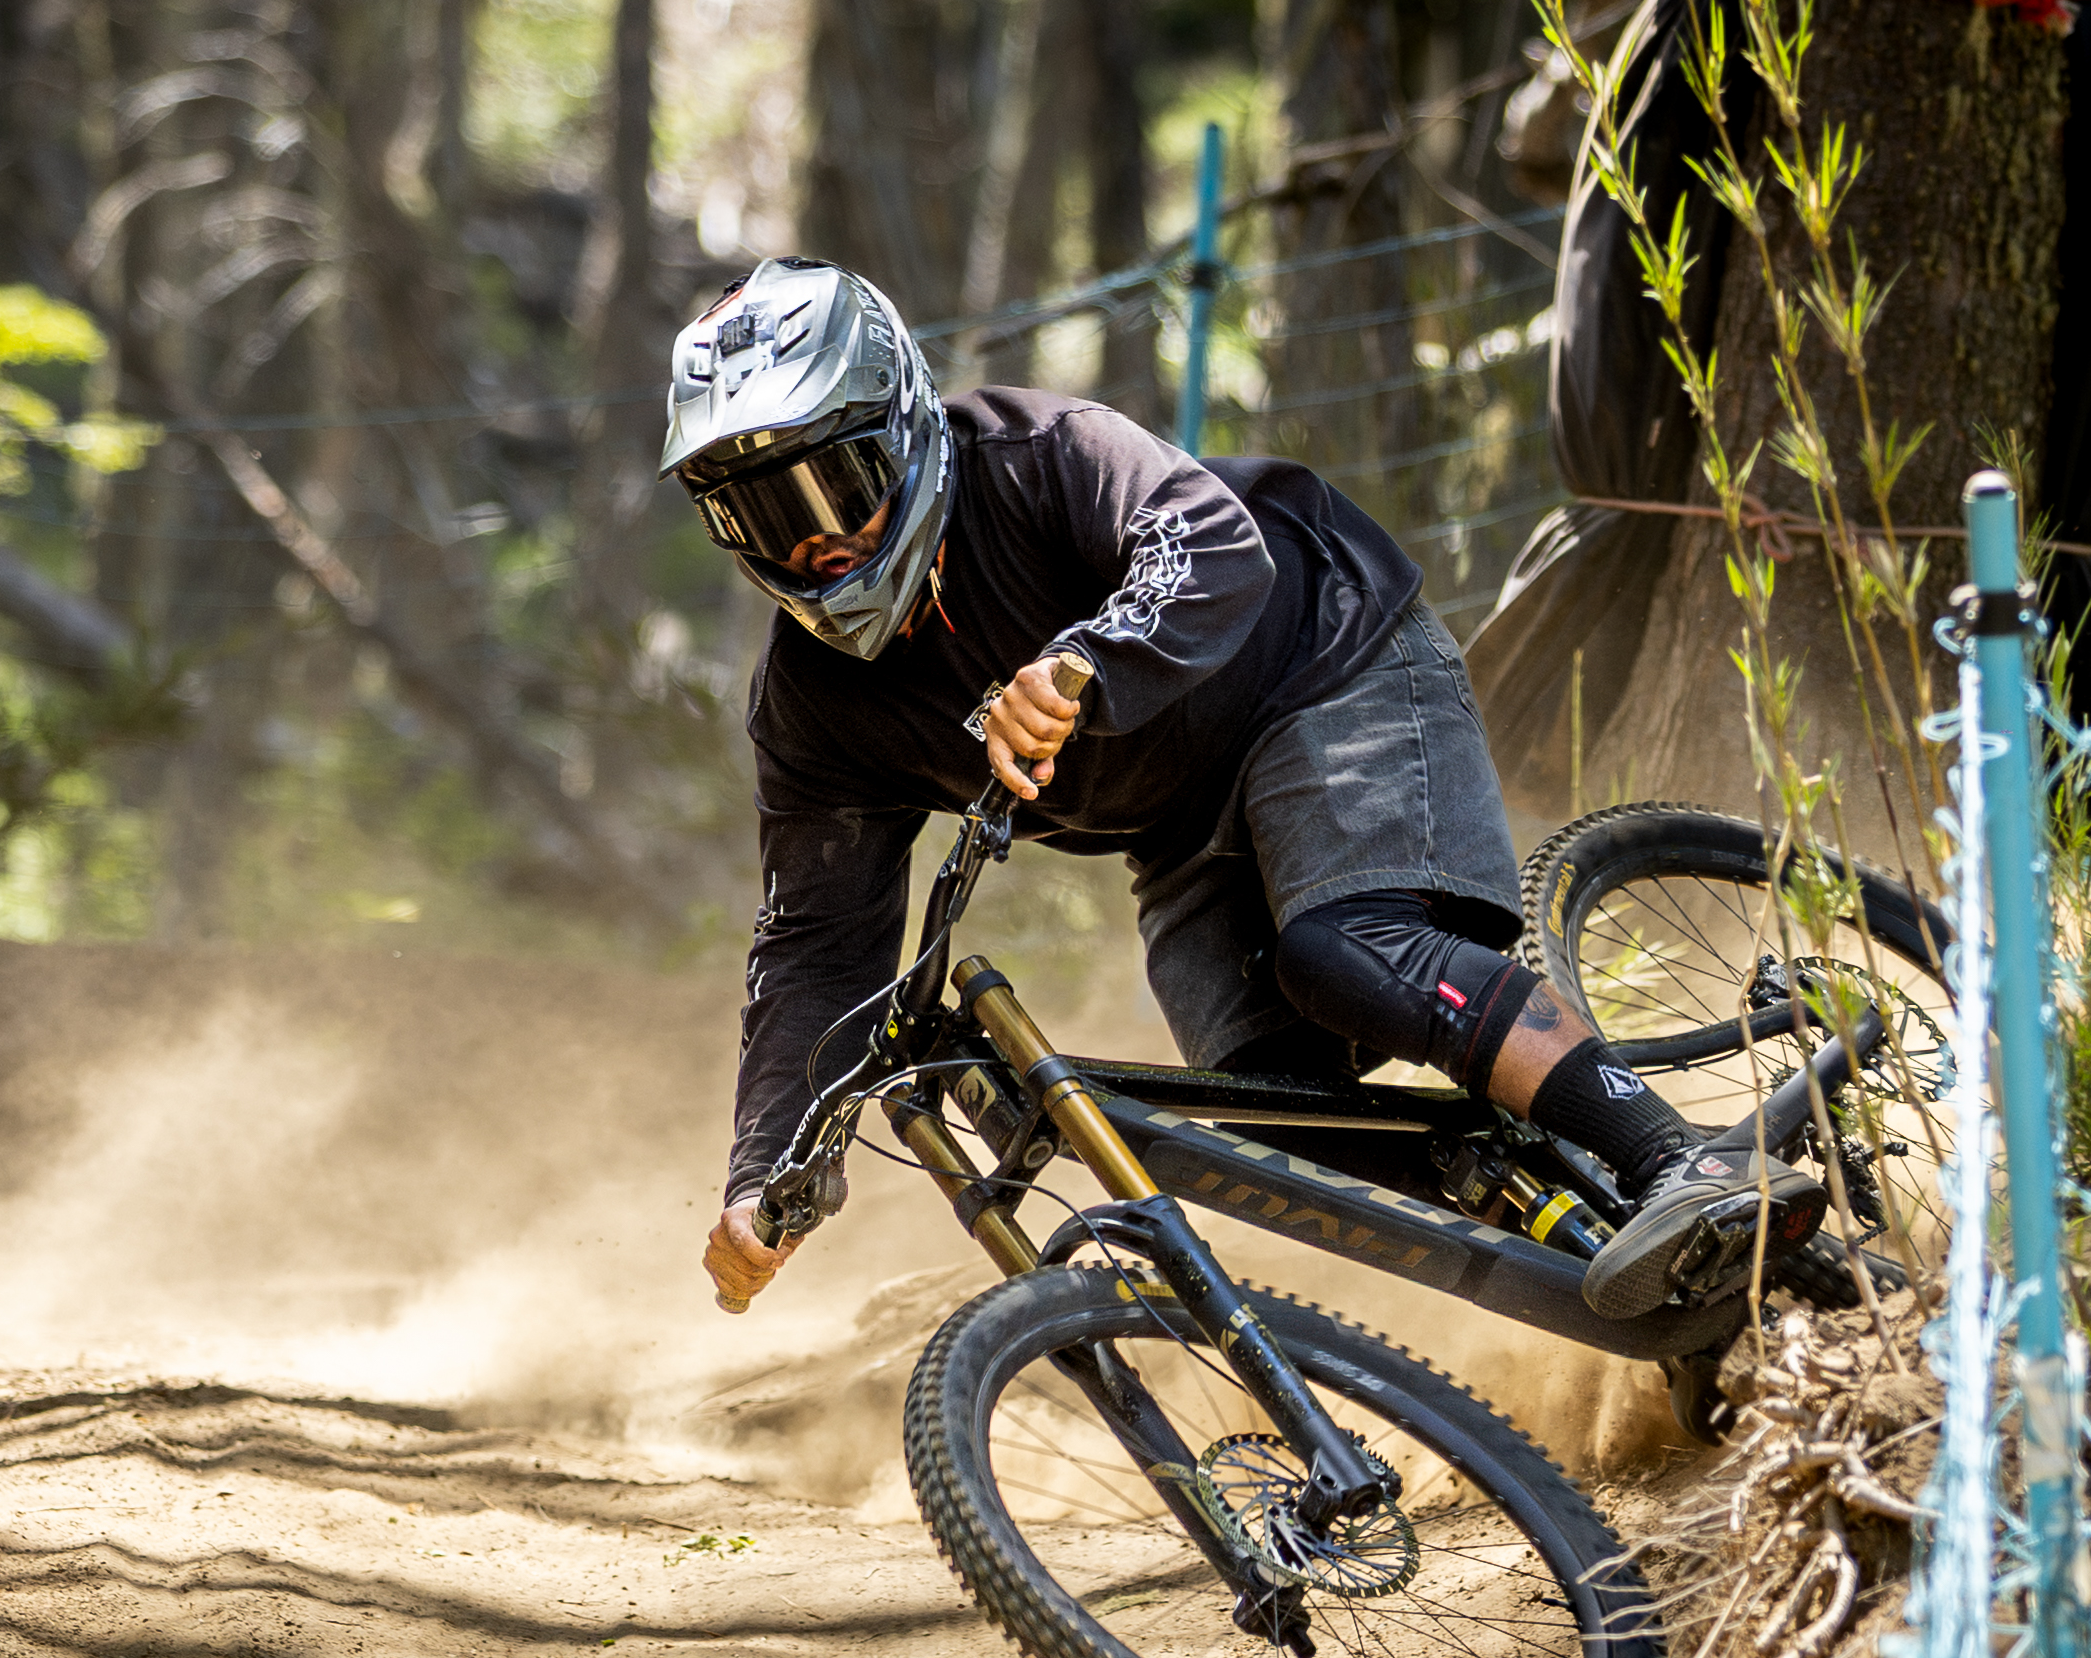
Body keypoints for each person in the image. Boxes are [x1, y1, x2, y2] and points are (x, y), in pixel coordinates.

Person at [670, 256, 1814, 1324]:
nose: (816, 546)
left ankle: (1684, 1157)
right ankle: (1613, 1245)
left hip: (1327, 660)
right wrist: (767, 1163)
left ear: (907, 424)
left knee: (1349, 951)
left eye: (837, 486)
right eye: (767, 515)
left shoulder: (1039, 452)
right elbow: (820, 946)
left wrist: (1085, 661)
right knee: (1272, 1120)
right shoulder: (813, 705)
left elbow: (1212, 542)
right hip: (1177, 823)